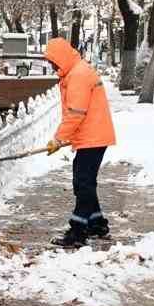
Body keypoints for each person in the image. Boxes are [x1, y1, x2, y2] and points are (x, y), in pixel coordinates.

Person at [43, 37, 116, 247]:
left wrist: (57, 139)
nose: (52, 66)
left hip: (93, 137)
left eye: (53, 61)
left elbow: (75, 113)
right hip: (92, 136)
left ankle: (78, 231)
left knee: (83, 183)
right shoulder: (76, 71)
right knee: (85, 181)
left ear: (61, 58)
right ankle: (97, 224)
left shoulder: (78, 75)